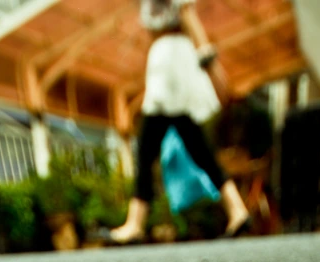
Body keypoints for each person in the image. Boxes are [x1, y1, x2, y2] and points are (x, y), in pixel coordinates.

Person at [108, 0, 252, 244]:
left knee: (147, 148)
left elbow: (187, 12)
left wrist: (209, 59)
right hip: (168, 61)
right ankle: (237, 209)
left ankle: (135, 222)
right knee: (198, 149)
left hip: (172, 63)